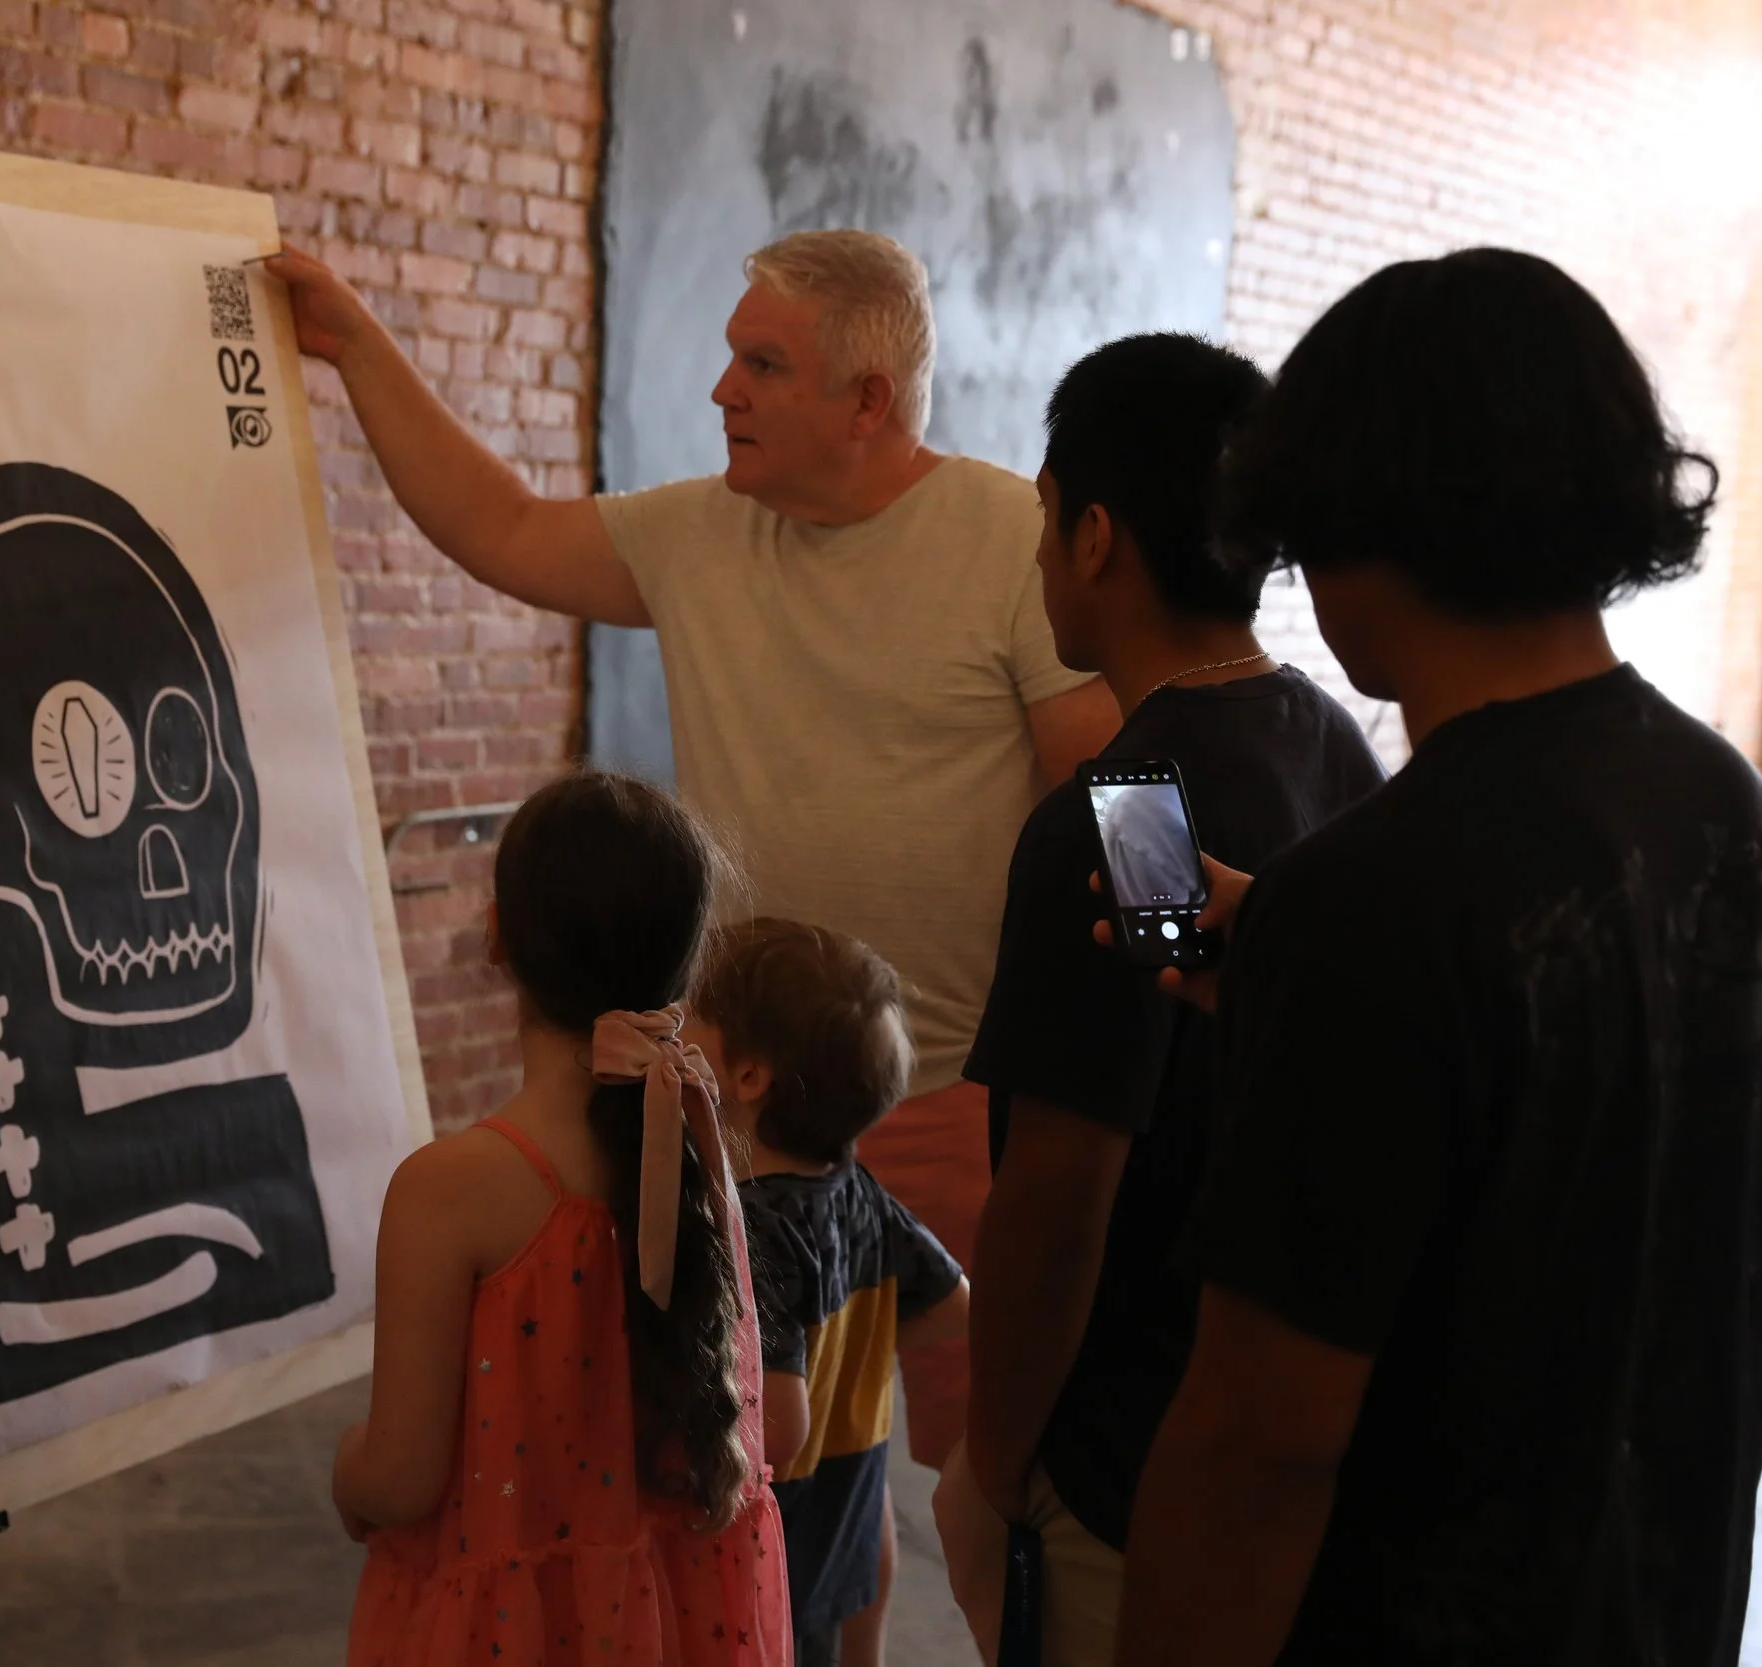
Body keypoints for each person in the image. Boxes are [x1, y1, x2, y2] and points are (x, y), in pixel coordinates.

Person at [271, 230, 1120, 1465]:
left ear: (867, 399)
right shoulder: (703, 530)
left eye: (762, 364)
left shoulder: (1003, 539)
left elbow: (1106, 791)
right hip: (738, 1104)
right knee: (769, 1459)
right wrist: (354, 345)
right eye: (731, 357)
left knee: (985, 1468)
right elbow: (499, 527)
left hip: (949, 1096)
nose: (723, 389)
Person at [1113, 250, 1762, 1666]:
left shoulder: (1380, 892)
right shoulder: (1738, 818)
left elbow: (1260, 1440)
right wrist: (1303, 980)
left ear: (1356, 514)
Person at [931, 334, 1384, 1666]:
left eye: (1040, 516)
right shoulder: (1336, 740)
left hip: (1136, 1468)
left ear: (1092, 538)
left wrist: (994, 1464)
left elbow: (1067, 1184)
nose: (1035, 554)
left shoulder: (1138, 810)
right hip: (1293, 1439)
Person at [335, 772, 789, 1666]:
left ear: (498, 937)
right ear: (686, 953)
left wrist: (348, 1466)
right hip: (679, 1613)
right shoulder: (697, 1151)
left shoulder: (449, 1186)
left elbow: (401, 1474)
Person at [688, 919, 972, 1667]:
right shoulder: (858, 1192)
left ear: (747, 1077)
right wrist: (843, 1348)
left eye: (696, 1016)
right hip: (851, 1518)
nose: (679, 1026)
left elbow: (777, 1429)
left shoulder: (759, 1229)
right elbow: (955, 1302)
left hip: (784, 1549)